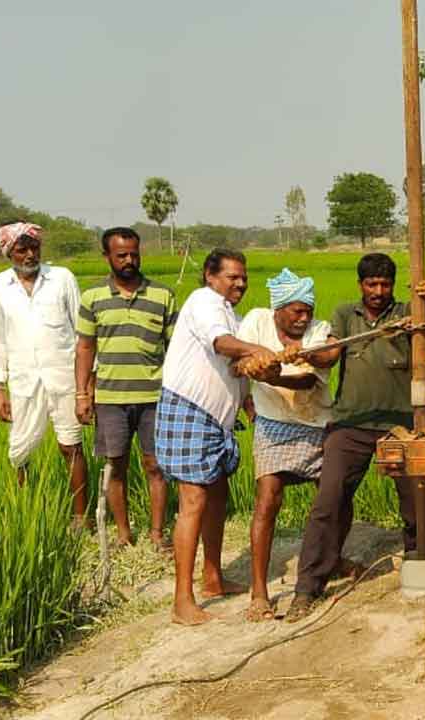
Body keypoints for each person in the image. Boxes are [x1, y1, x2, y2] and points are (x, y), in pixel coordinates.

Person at [285, 253, 425, 622]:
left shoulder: (407, 311)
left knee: (420, 497)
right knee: (329, 500)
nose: (379, 292)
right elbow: (332, 353)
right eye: (372, 285)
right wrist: (309, 355)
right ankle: (308, 587)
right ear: (361, 285)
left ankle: (420, 562)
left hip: (401, 423)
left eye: (385, 285)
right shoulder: (345, 315)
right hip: (351, 423)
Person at [155, 248, 276, 625]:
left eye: (243, 277)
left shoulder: (233, 317)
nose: (240, 283)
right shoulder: (203, 302)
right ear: (210, 275)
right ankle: (182, 601)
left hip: (218, 422)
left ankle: (213, 578)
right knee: (193, 501)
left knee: (218, 496)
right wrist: (260, 349)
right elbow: (221, 345)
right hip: (189, 412)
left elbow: (236, 370)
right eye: (232, 276)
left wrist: (251, 404)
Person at [235, 268, 336, 622]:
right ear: (278, 310)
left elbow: (312, 377)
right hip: (273, 424)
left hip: (316, 422)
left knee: (330, 499)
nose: (303, 317)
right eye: (296, 311)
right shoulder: (257, 321)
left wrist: (298, 359)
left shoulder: (318, 331)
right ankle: (259, 591)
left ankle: (331, 561)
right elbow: (240, 360)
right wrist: (256, 366)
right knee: (267, 501)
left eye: (307, 310)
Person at [75, 227, 174, 550]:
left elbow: (175, 349)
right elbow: (86, 348)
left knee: (156, 465)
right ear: (107, 257)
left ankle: (157, 534)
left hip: (154, 398)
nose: (129, 260)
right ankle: (123, 534)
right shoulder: (93, 298)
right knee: (114, 465)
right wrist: (82, 394)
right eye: (122, 255)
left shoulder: (162, 295)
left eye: (134, 253)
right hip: (110, 398)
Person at [0, 222, 88, 525]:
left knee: (71, 445)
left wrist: (87, 383)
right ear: (9, 252)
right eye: (22, 249)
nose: (30, 254)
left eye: (35, 248)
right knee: (20, 449)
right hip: (23, 381)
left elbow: (82, 332)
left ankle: (81, 518)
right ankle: (24, 515)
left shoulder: (62, 278)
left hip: (64, 377)